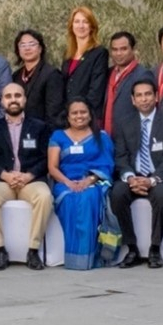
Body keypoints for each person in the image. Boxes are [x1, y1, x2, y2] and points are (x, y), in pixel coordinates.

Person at [0, 82, 53, 270]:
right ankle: (0, 250)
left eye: (17, 96)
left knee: (44, 196)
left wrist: (29, 175)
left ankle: (33, 250)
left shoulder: (40, 127)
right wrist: (4, 175)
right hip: (3, 181)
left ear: (25, 99)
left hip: (31, 180)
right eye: (8, 96)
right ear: (2, 101)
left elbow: (47, 159)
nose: (13, 100)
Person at [111, 78, 163, 269]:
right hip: (133, 176)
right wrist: (130, 177)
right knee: (117, 194)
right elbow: (121, 156)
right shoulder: (124, 124)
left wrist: (151, 180)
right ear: (133, 100)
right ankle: (132, 248)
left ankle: (155, 248)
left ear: (156, 97)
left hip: (159, 177)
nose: (144, 99)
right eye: (139, 95)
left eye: (148, 94)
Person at [48, 98, 115, 270]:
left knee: (87, 198)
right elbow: (52, 167)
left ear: (90, 115)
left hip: (94, 181)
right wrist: (68, 182)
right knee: (70, 200)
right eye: (75, 113)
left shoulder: (101, 137)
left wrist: (89, 180)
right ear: (68, 117)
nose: (79, 116)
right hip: (65, 181)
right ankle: (74, 258)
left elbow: (107, 164)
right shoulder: (58, 136)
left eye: (83, 112)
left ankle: (91, 257)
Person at [62, 7, 109, 125]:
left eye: (85, 22)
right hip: (69, 118)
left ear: (92, 26)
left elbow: (96, 90)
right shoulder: (68, 54)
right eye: (77, 22)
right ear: (71, 26)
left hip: (88, 117)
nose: (81, 26)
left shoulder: (99, 52)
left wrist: (81, 113)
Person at [11, 29, 65, 127]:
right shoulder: (16, 76)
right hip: (20, 131)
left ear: (40, 48)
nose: (27, 48)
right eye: (22, 45)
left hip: (42, 132)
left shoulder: (51, 74)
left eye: (32, 44)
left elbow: (54, 113)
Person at [104, 31, 152, 136]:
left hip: (130, 137)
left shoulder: (142, 74)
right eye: (115, 50)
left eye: (123, 49)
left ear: (133, 50)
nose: (119, 53)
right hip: (106, 137)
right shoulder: (107, 73)